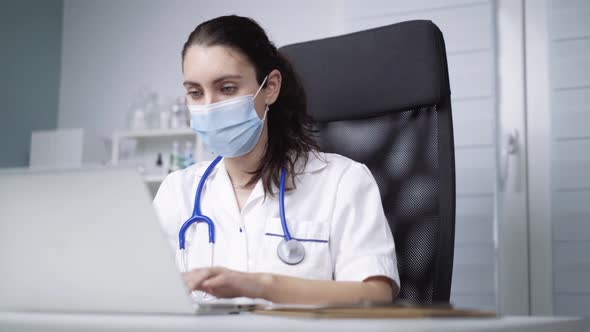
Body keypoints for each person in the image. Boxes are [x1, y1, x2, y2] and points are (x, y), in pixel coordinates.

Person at [153, 15, 399, 305]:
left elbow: (376, 295)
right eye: (195, 92)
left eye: (227, 88)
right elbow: (145, 295)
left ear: (270, 87)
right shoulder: (177, 191)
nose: (209, 107)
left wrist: (262, 285)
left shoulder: (341, 181)